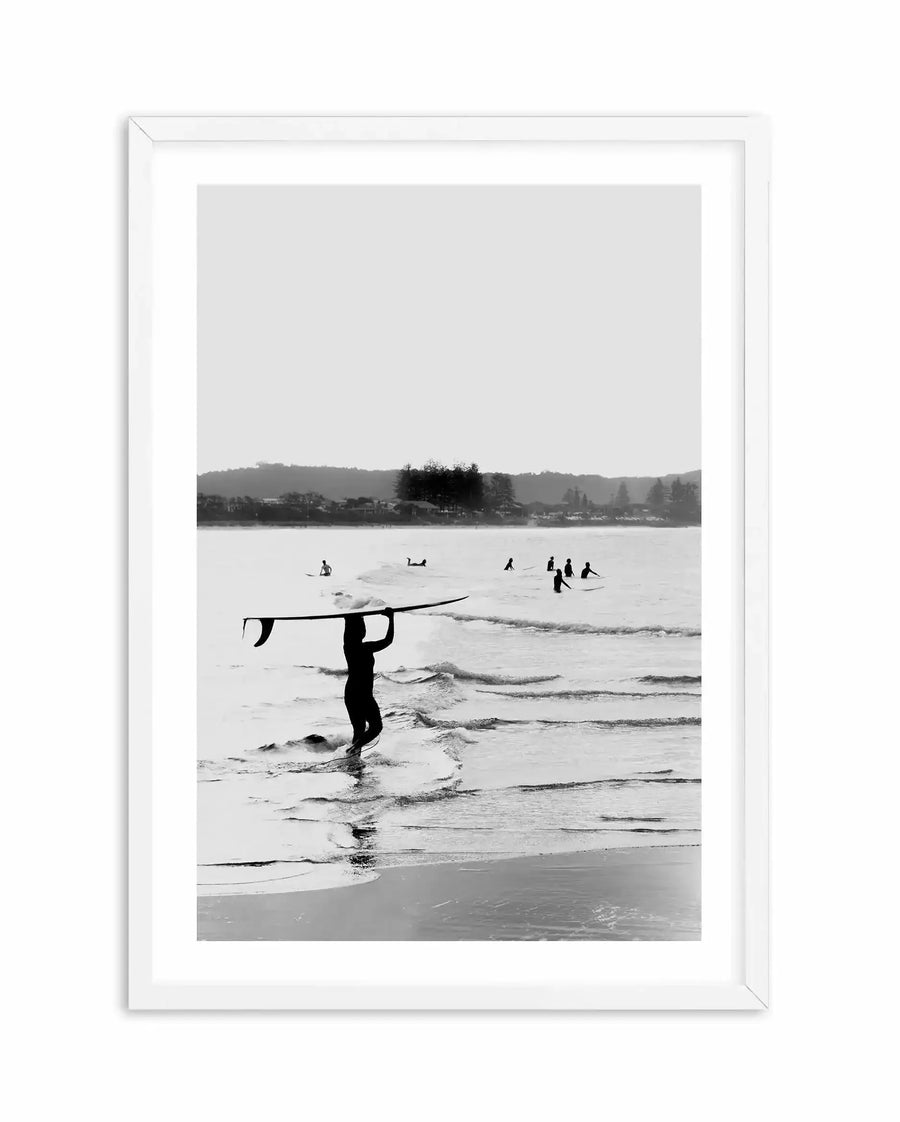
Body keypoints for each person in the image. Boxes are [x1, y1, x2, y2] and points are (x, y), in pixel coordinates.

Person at [342, 608, 394, 752]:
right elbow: (388, 640)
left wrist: (351, 617)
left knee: (359, 730)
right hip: (361, 694)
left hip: (353, 693)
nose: (364, 629)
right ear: (359, 631)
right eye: (362, 626)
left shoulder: (350, 647)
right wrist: (391, 618)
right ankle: (353, 752)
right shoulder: (364, 648)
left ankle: (353, 758)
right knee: (376, 727)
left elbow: (349, 629)